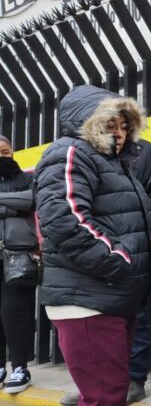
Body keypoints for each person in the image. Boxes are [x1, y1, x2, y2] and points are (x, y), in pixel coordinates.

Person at [35, 86, 151, 406]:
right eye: (109, 125)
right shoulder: (70, 151)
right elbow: (66, 219)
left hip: (111, 294)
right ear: (86, 122)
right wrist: (118, 260)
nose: (119, 133)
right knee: (105, 398)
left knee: (108, 396)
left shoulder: (115, 164)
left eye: (123, 126)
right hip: (88, 298)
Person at [59, 138, 151, 406]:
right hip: (92, 245)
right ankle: (94, 383)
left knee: (136, 316)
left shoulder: (146, 152)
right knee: (96, 320)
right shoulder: (82, 152)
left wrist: (128, 217)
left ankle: (134, 379)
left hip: (133, 246)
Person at [0, 136, 37, 394]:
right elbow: (19, 205)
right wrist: (12, 207)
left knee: (17, 311)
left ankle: (21, 367)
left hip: (18, 253)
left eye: (5, 151)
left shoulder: (28, 177)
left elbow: (30, 200)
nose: (2, 156)